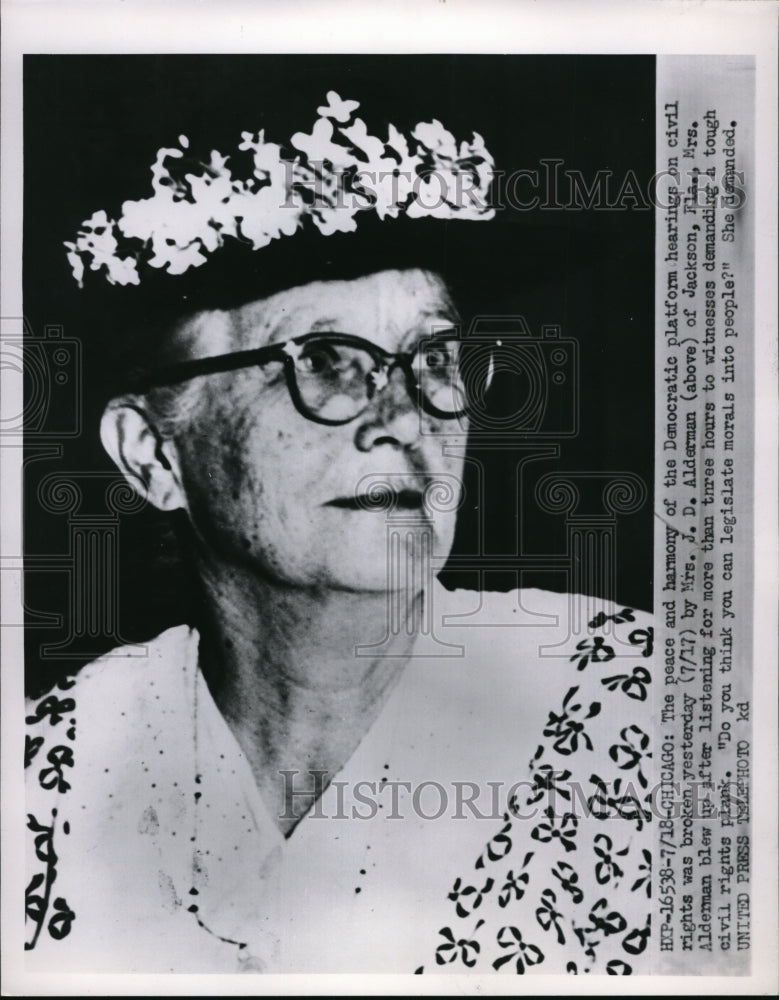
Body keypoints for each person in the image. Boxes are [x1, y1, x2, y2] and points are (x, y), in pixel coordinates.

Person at [25, 90, 653, 975]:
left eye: (432, 357)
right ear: (153, 456)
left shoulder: (642, 709)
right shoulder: (53, 772)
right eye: (322, 359)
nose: (401, 417)